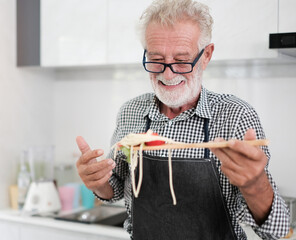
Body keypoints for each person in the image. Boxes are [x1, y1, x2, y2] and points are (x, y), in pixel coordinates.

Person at [76, 0, 290, 239]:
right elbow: (114, 187)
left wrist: (254, 184)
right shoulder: (131, 112)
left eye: (181, 60)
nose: (168, 74)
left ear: (206, 56)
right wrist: (97, 182)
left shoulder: (236, 116)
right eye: (156, 59)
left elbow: (277, 233)